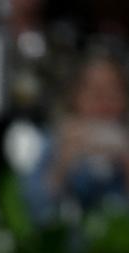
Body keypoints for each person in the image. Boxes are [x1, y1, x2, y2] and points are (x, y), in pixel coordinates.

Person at [22, 53, 129, 222]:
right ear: (75, 96)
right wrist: (62, 163)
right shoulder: (52, 141)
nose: (104, 102)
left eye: (113, 91)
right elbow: (34, 212)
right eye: (95, 92)